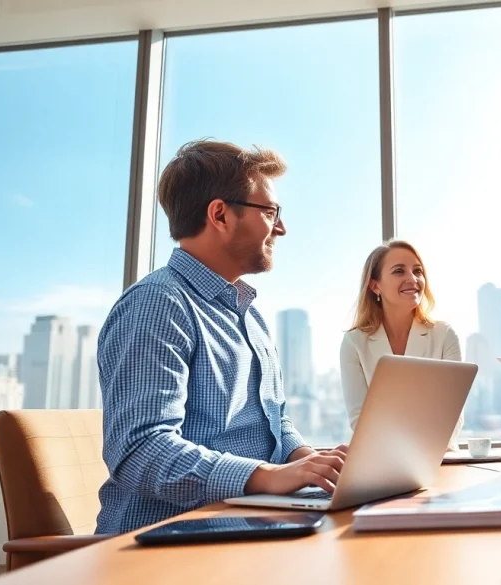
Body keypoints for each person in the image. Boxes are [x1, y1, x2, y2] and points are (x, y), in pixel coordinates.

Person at [96, 140, 347, 534]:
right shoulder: (158, 304)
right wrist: (267, 476)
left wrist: (312, 463)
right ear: (220, 214)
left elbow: (275, 424)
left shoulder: (252, 318)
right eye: (270, 211)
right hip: (164, 542)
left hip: (249, 524)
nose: (281, 227)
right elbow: (138, 451)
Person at [340, 240, 464, 451]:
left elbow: (452, 415)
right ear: (375, 285)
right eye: (399, 271)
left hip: (438, 456)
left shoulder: (444, 334)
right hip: (380, 457)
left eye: (418, 271)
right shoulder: (355, 342)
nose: (412, 279)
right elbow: (359, 419)